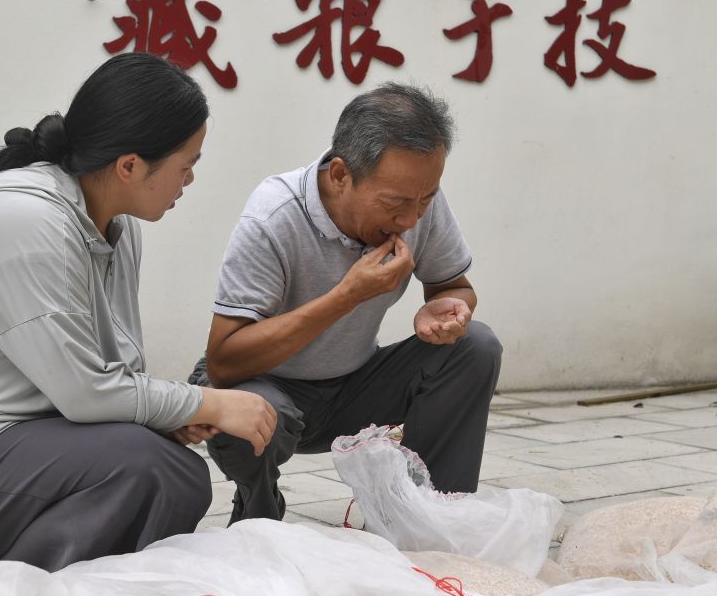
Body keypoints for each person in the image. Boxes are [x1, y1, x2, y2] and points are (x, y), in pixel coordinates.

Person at [0, 53, 275, 576]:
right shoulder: (23, 221)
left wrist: (170, 418)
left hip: (18, 434)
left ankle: (31, 582)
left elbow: (113, 371)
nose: (189, 180)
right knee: (154, 471)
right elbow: (86, 392)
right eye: (185, 165)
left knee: (175, 471)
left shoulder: (116, 226)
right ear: (129, 166)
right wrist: (209, 401)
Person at [189, 83, 502, 523]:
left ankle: (430, 513)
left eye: (425, 200)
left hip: (353, 385)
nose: (410, 218)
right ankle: (257, 508)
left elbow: (455, 286)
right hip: (267, 387)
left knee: (475, 347)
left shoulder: (416, 198)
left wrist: (448, 304)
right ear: (340, 175)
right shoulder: (274, 216)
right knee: (242, 409)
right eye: (395, 203)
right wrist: (347, 295)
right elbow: (224, 362)